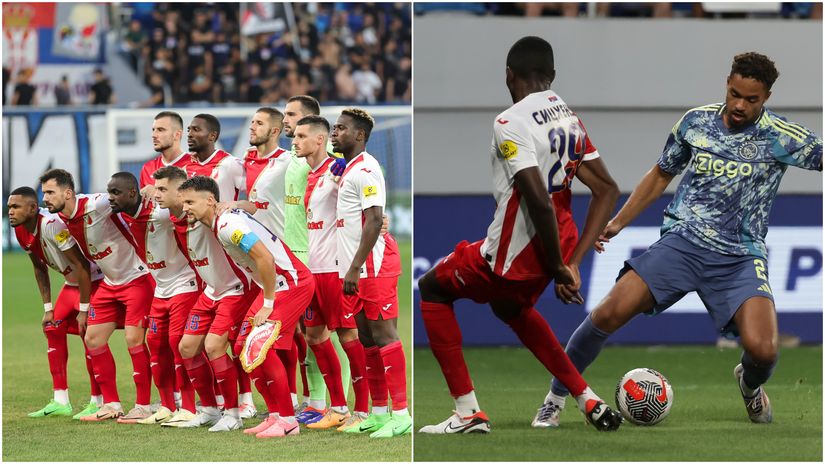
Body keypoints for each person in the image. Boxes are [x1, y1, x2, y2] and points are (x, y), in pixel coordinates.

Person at [539, 51, 823, 426]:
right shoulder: (696, 122)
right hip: (682, 243)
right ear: (728, 83)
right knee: (607, 312)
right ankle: (555, 398)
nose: (739, 105)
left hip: (740, 256)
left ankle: (750, 386)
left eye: (750, 100)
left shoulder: (782, 137)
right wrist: (618, 222)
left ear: (766, 97)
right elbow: (661, 174)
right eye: (734, 93)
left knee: (764, 351)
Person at [417, 36, 623, 434]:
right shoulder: (566, 115)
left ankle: (467, 413)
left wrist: (560, 266)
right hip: (559, 241)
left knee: (433, 288)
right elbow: (607, 189)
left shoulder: (510, 121)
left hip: (517, 251)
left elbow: (537, 199)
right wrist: (572, 261)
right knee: (511, 309)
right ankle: (588, 398)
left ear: (509, 75)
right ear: (552, 76)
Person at [180, 175, 315, 438]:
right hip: (277, 286)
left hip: (291, 283)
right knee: (242, 347)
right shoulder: (222, 220)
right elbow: (253, 209)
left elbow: (263, 257)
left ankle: (288, 420)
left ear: (210, 201)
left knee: (261, 348)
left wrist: (267, 302)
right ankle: (275, 415)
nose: (185, 207)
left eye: (189, 202)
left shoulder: (228, 225)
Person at [39, 169, 155, 421]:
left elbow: (125, 195)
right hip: (109, 284)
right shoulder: (59, 221)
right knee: (92, 338)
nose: (45, 198)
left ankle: (144, 406)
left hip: (137, 279)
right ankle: (111, 405)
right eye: (44, 193)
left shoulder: (97, 203)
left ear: (68, 193)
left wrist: (149, 189)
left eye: (50, 192)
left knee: (134, 340)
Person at [154, 167, 259, 431]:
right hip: (211, 291)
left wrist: (234, 204)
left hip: (235, 289)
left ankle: (233, 414)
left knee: (214, 347)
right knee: (187, 347)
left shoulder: (213, 215)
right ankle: (210, 409)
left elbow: (253, 208)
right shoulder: (174, 218)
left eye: (163, 190)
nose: (156, 195)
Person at [331, 107, 411, 438]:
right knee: (366, 339)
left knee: (384, 335)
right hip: (358, 269)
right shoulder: (349, 169)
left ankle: (402, 413)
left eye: (342, 128)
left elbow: (375, 220)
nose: (336, 133)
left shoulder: (366, 169)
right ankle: (379, 413)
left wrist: (354, 266)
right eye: (334, 128)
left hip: (372, 266)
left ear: (359, 136)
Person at [292, 115, 371, 431]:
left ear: (319, 139)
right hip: (314, 270)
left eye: (300, 136)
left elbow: (367, 207)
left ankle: (363, 410)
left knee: (349, 335)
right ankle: (337, 407)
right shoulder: (310, 176)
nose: (295, 141)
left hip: (337, 270)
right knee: (313, 335)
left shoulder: (339, 171)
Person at [107, 172, 200, 424]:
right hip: (160, 289)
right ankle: (167, 406)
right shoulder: (124, 213)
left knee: (179, 346)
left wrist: (160, 192)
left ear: (132, 193)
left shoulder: (163, 212)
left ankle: (190, 408)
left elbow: (190, 198)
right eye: (110, 192)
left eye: (116, 193)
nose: (110, 198)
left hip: (184, 284)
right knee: (156, 345)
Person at [8, 186, 103, 419]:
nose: (10, 211)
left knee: (88, 336)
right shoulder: (20, 231)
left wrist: (83, 309)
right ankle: (61, 401)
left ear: (32, 209)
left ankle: (98, 401)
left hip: (93, 283)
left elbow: (82, 266)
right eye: (9, 207)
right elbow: (39, 267)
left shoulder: (53, 226)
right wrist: (47, 308)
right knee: (52, 328)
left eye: (15, 207)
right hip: (70, 286)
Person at [185, 114, 245, 203]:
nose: (189, 134)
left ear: (212, 136)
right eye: (189, 130)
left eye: (196, 130)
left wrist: (238, 206)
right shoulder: (185, 165)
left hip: (223, 217)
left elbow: (255, 193)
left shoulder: (230, 163)